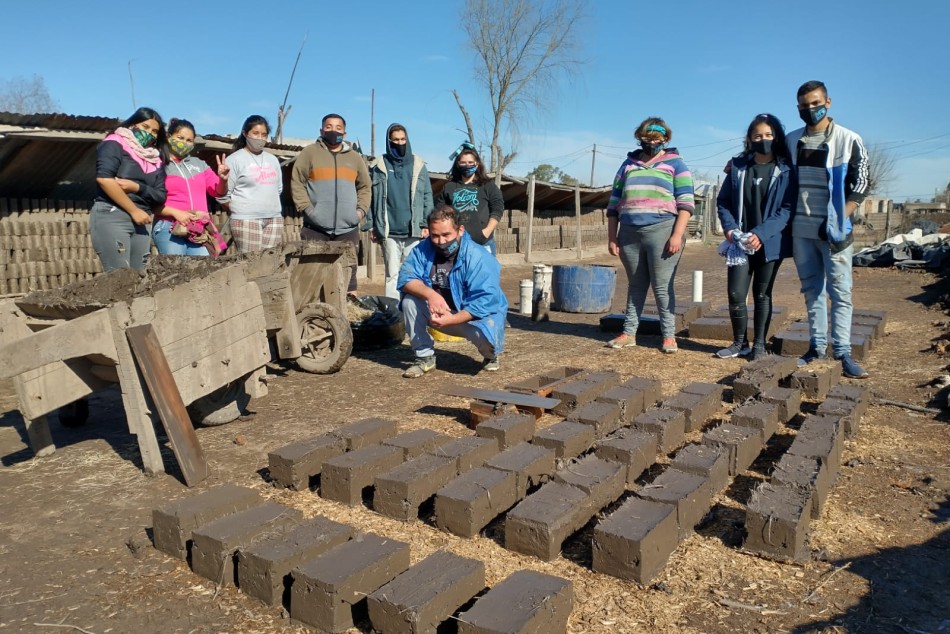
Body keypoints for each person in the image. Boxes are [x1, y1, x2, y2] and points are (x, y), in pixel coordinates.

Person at [787, 80, 870, 379]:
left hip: (834, 232)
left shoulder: (849, 139)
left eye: (815, 103)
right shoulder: (791, 139)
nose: (810, 109)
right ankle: (816, 346)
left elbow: (861, 184)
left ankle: (844, 352)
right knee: (812, 290)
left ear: (828, 102)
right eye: (804, 105)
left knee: (841, 291)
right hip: (801, 229)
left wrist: (840, 218)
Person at [605, 117, 695, 353]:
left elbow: (686, 202)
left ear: (665, 138)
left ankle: (668, 336)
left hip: (662, 230)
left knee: (662, 286)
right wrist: (612, 237)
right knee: (635, 285)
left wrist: (677, 235)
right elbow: (614, 202)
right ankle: (629, 333)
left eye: (657, 137)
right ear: (639, 137)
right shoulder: (628, 164)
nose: (651, 141)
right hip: (630, 232)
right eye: (646, 137)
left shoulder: (676, 164)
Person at [715, 114, 796, 360]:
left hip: (769, 242)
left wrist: (760, 234)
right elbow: (724, 201)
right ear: (749, 139)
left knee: (762, 294)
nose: (763, 140)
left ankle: (759, 345)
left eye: (769, 135)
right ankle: (740, 343)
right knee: (736, 294)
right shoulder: (739, 167)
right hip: (739, 242)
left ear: (777, 137)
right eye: (758, 136)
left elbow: (786, 209)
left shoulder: (786, 170)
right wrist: (729, 229)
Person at [397, 206, 507, 378]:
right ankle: (424, 357)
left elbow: (485, 301)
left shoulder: (479, 257)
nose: (440, 241)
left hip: (472, 318)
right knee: (409, 301)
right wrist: (431, 295)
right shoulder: (422, 250)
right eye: (435, 235)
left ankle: (490, 356)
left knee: (488, 337)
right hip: (440, 312)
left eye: (446, 235)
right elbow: (406, 278)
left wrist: (453, 319)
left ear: (460, 230)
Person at [291, 113, 371, 294]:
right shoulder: (309, 153)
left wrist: (359, 212)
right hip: (315, 228)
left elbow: (365, 187)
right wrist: (309, 210)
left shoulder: (355, 158)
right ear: (321, 130)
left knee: (348, 278)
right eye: (329, 127)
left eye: (338, 128)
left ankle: (348, 318)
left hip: (348, 229)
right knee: (311, 278)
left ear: (345, 132)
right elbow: (297, 183)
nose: (333, 131)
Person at [90, 106, 167, 272]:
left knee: (140, 277)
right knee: (119, 277)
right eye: (145, 127)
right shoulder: (114, 142)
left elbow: (160, 196)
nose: (149, 133)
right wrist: (133, 210)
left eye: (154, 131)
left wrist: (137, 187)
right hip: (113, 214)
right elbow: (105, 179)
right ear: (132, 124)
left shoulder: (155, 158)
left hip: (142, 222)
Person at [368, 123, 434, 298]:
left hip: (414, 230)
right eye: (396, 140)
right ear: (389, 141)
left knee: (416, 274)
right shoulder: (379, 165)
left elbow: (427, 195)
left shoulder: (418, 164)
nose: (400, 142)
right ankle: (394, 314)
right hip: (389, 231)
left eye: (403, 139)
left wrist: (426, 223)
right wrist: (371, 225)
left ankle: (415, 310)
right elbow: (371, 197)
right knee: (392, 275)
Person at [152, 118, 229, 256]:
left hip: (197, 229)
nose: (184, 143)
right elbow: (150, 201)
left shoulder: (199, 164)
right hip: (169, 226)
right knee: (177, 271)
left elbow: (218, 192)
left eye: (189, 140)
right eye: (180, 137)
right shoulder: (157, 164)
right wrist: (176, 213)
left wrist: (223, 180)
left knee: (203, 271)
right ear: (169, 137)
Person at [222, 115, 283, 253]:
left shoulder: (272, 160)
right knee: (251, 264)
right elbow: (224, 194)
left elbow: (278, 189)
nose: (259, 138)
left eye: (264, 135)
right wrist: (240, 209)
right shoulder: (235, 160)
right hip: (246, 220)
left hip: (273, 219)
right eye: (255, 133)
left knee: (270, 263)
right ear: (245, 133)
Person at [440, 143, 504, 255]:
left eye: (470, 163)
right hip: (456, 243)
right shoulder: (449, 187)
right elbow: (440, 211)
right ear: (458, 164)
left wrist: (486, 232)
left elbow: (498, 208)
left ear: (477, 164)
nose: (467, 166)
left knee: (485, 272)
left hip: (483, 243)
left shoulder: (487, 185)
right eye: (463, 163)